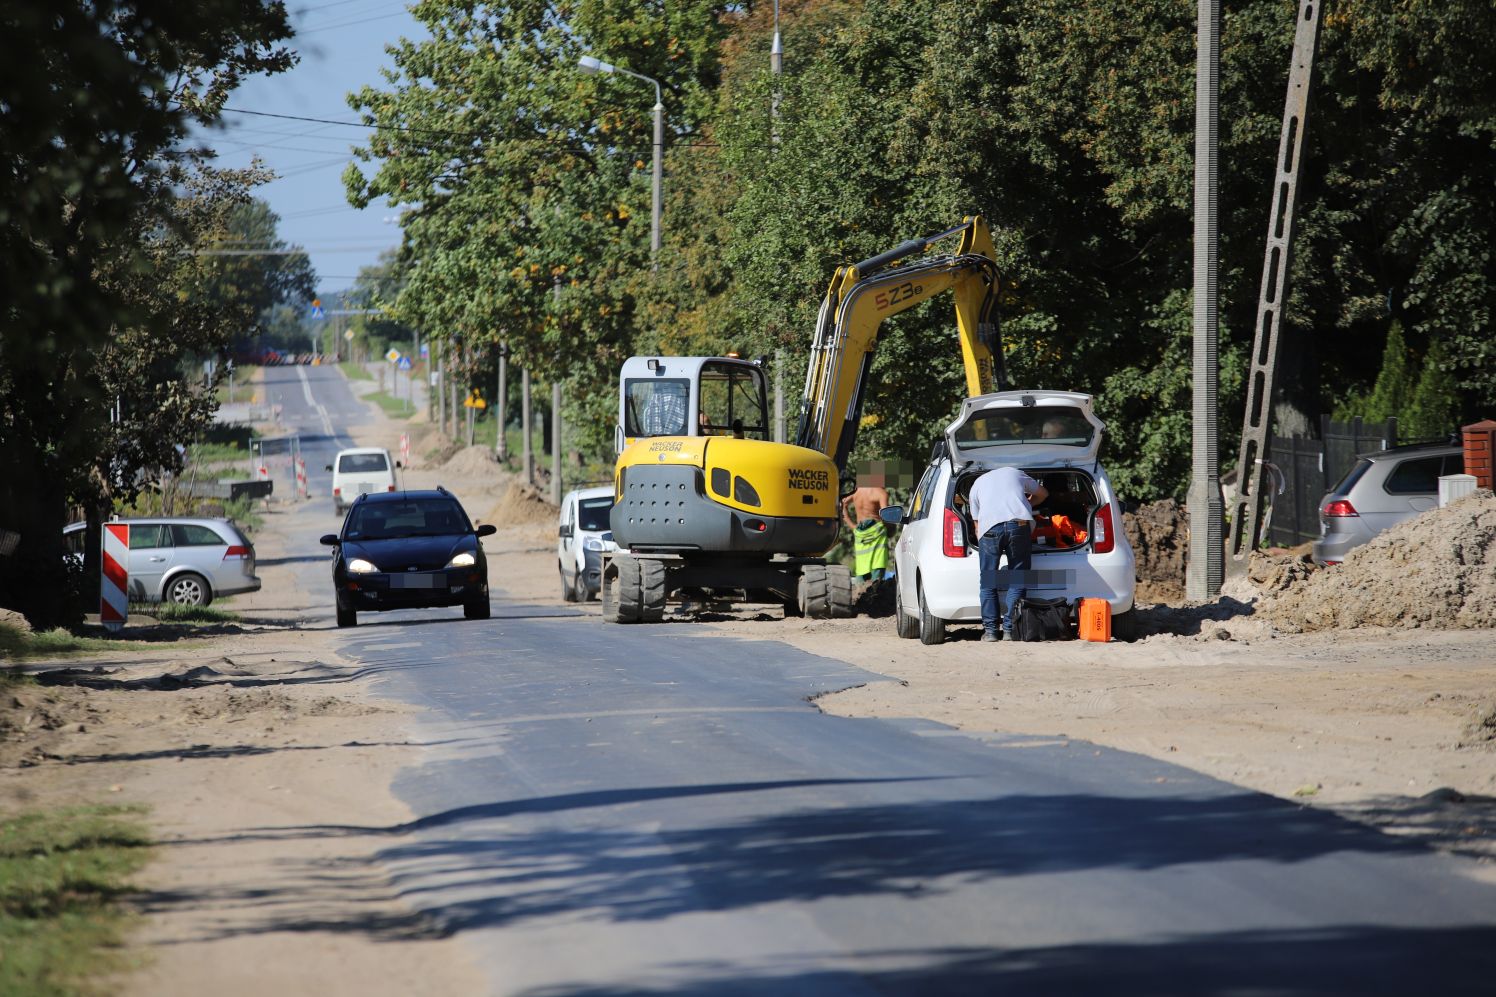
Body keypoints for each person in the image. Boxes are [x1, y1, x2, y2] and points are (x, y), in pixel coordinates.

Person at [968, 465, 1048, 641]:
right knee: (1018, 577)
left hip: (989, 529)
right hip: (1018, 525)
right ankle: (1010, 630)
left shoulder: (977, 484)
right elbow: (1043, 493)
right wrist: (1027, 503)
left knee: (989, 580)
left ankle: (990, 632)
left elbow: (976, 525)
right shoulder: (1016, 473)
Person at [841, 462, 892, 582]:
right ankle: (875, 590)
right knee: (877, 564)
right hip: (877, 532)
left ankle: (860, 591)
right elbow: (886, 515)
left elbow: (842, 503)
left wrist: (851, 524)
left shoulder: (857, 492)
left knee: (862, 564)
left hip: (860, 533)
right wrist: (890, 528)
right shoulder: (881, 493)